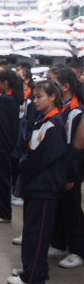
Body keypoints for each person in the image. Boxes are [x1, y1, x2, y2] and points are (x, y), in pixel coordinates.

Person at [8, 81, 67, 284]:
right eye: (34, 97)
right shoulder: (43, 120)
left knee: (37, 232)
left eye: (39, 96)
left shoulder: (54, 123)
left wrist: (24, 167)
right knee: (33, 229)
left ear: (52, 97)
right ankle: (35, 268)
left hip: (44, 186)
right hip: (36, 184)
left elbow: (44, 156)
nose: (35, 101)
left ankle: (33, 277)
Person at [50, 68, 84, 269]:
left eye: (53, 82)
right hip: (59, 169)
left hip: (71, 171)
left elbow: (76, 147)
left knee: (72, 211)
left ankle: (77, 250)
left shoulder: (76, 111)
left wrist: (72, 174)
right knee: (60, 209)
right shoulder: (60, 109)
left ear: (65, 86)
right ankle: (59, 243)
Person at [0, 69, 24, 224]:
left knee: (1, 180)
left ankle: (3, 212)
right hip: (4, 145)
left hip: (1, 146)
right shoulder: (10, 99)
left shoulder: (6, 100)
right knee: (0, 178)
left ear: (6, 83)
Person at [11, 68, 36, 209]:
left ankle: (19, 193)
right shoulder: (18, 95)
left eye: (20, 76)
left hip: (24, 133)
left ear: (27, 80)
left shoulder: (30, 96)